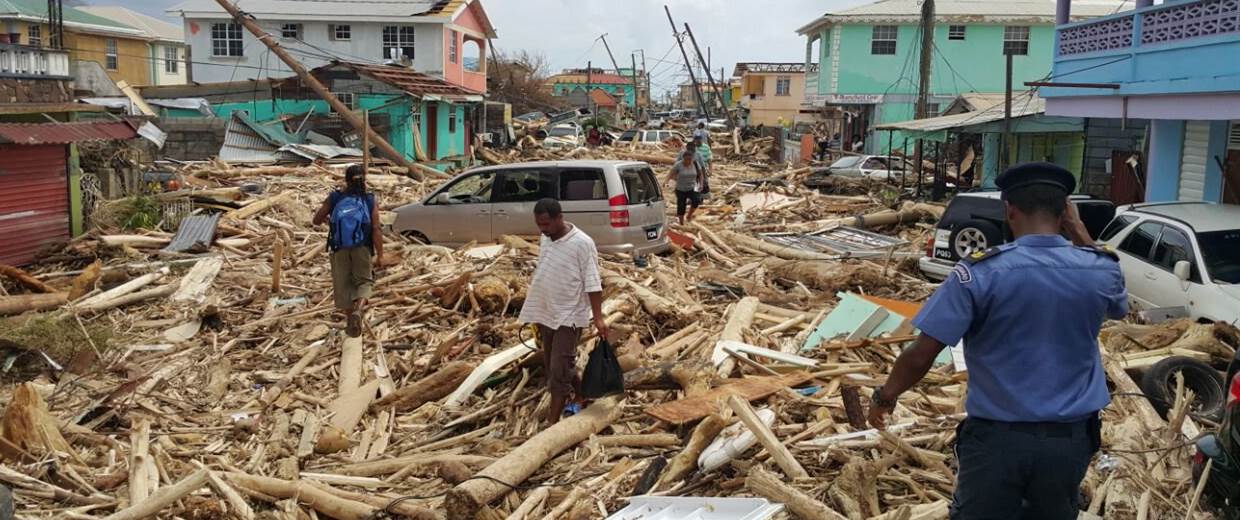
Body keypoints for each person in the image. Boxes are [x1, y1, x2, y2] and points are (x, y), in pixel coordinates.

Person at [866, 163, 1128, 520]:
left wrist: (885, 397)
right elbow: (1118, 307)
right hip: (1069, 443)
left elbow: (922, 353)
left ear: (1010, 210)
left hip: (997, 444)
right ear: (1065, 210)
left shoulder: (980, 272)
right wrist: (1080, 233)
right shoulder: (1100, 268)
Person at [518, 199, 608, 424]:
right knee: (555, 366)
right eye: (539, 224)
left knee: (558, 373)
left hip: (570, 315)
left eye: (547, 224)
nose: (543, 229)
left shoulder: (582, 243)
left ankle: (552, 423)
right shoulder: (546, 239)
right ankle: (583, 393)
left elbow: (593, 282)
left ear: (560, 218)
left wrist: (598, 318)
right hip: (546, 312)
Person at [313, 164, 384, 338]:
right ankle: (358, 311)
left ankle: (349, 322)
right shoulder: (368, 199)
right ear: (365, 179)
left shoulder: (336, 197)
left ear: (346, 179)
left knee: (343, 285)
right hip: (362, 247)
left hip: (339, 248)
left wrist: (332, 222)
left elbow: (316, 220)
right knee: (365, 282)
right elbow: (376, 228)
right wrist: (381, 254)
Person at [666, 149, 703, 225]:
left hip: (692, 187)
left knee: (696, 200)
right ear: (683, 158)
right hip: (680, 189)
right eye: (686, 160)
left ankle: (689, 215)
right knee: (681, 206)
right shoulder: (678, 165)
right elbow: (671, 173)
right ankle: (681, 222)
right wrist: (666, 181)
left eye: (690, 160)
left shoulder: (695, 164)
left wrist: (701, 184)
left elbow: (700, 174)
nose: (688, 161)